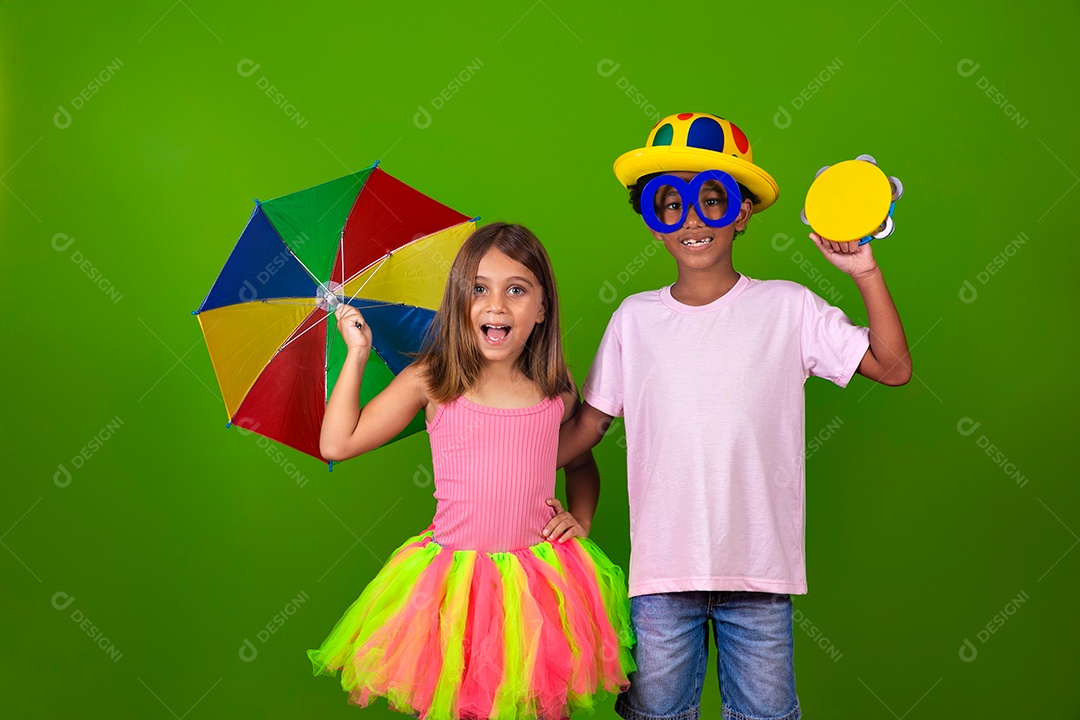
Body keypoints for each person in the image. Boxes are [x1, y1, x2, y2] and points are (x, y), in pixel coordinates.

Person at [557, 112, 912, 720]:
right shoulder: (634, 318)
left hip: (759, 574)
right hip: (663, 576)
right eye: (671, 205)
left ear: (742, 212)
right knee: (656, 712)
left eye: (712, 200)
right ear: (653, 221)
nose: (691, 219)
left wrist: (865, 272)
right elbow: (589, 427)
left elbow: (893, 366)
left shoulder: (787, 306)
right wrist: (503, 459)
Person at [308, 222, 635, 720]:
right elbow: (337, 442)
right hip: (457, 586)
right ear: (458, 301)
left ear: (542, 308)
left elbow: (580, 460)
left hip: (540, 584)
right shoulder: (433, 378)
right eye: (479, 289)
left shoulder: (555, 385)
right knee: (458, 700)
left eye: (516, 290)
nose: (496, 305)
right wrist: (356, 354)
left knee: (540, 703)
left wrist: (582, 519)